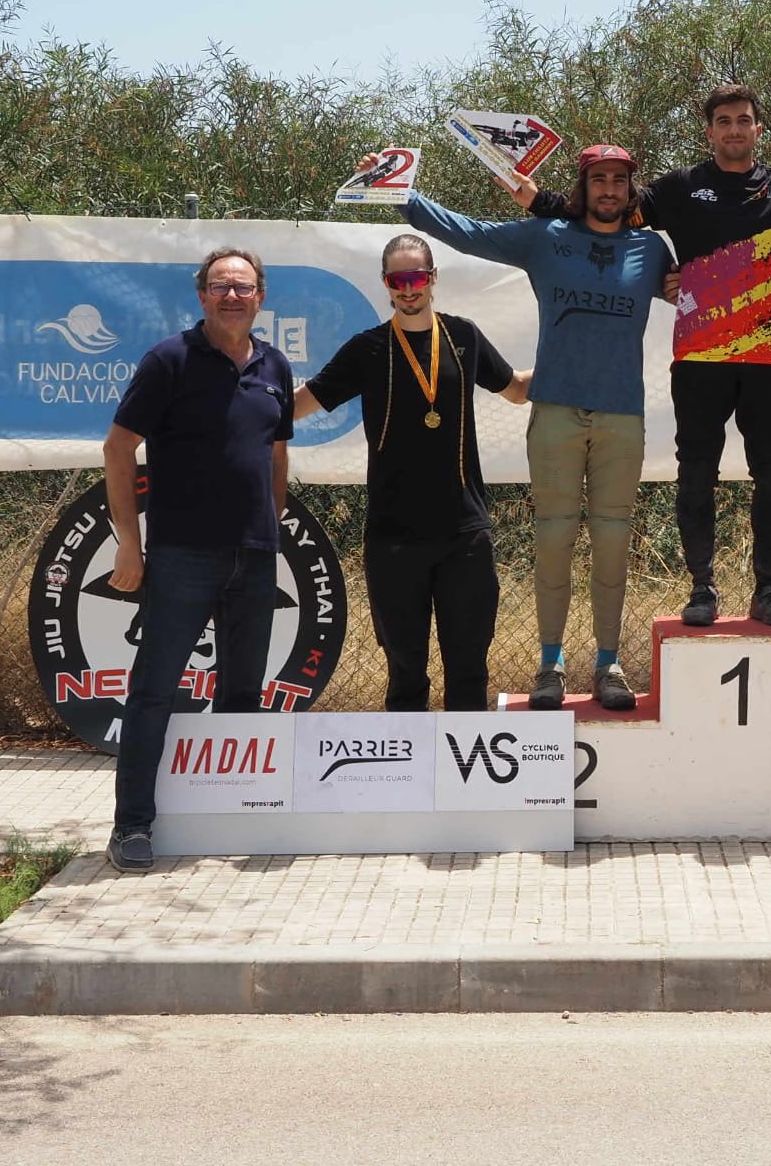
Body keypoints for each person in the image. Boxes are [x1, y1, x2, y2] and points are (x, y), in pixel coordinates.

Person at [513, 84, 771, 629]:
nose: (734, 129)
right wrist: (537, 200)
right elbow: (604, 211)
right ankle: (701, 589)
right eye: (724, 121)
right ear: (710, 131)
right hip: (700, 356)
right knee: (696, 474)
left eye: (744, 120)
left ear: (759, 130)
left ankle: (767, 589)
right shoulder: (680, 188)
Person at [376, 145, 674, 711]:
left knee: (612, 542)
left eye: (619, 180)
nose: (608, 189)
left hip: (621, 415)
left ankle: (609, 664)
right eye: (598, 179)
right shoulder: (545, 237)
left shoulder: (652, 249)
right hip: (557, 412)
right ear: (582, 186)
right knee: (554, 539)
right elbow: (471, 234)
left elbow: (694, 284)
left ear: (631, 188)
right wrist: (404, 198)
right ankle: (551, 664)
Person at [103, 247, 294, 874]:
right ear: (202, 295)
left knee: (243, 694)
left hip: (255, 559)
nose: (232, 296)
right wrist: (130, 545)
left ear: (261, 296)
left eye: (243, 287)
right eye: (220, 286)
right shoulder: (168, 361)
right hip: (182, 556)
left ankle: (233, 819)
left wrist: (269, 524)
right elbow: (118, 449)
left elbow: (275, 454)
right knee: (154, 694)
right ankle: (132, 827)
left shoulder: (276, 366)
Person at [294, 233, 529, 715]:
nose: (408, 288)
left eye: (417, 276)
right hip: (393, 537)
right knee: (405, 674)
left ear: (432, 278)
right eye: (398, 279)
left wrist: (581, 355)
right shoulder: (368, 348)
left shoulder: (463, 337)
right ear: (385, 284)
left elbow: (518, 391)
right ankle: (407, 786)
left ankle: (466, 785)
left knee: (468, 670)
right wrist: (238, 401)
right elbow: (303, 403)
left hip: (464, 533)